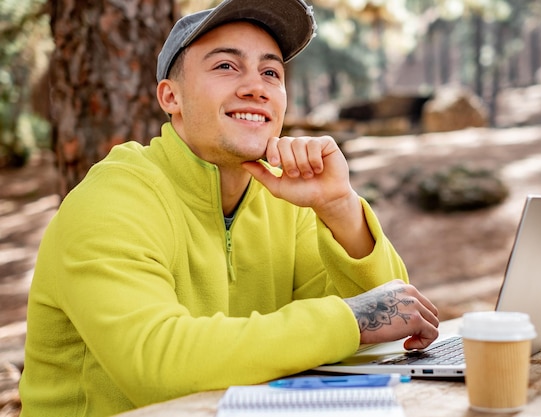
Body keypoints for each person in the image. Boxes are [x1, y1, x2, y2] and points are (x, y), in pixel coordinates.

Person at [18, 0, 439, 415]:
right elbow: (158, 364)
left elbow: (394, 330)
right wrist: (352, 321)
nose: (256, 87)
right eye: (226, 66)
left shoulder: (287, 196)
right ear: (171, 97)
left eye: (271, 72)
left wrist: (340, 207)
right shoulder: (112, 199)